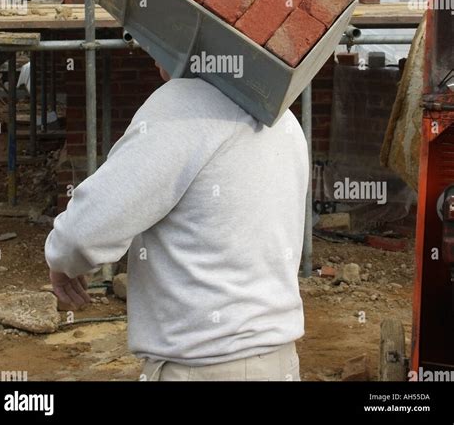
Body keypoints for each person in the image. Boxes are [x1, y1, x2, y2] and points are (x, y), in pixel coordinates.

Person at [45, 62, 309, 381]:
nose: (152, 54)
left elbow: (82, 233)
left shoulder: (183, 104)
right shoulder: (284, 118)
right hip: (279, 362)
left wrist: (62, 261)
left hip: (203, 367)